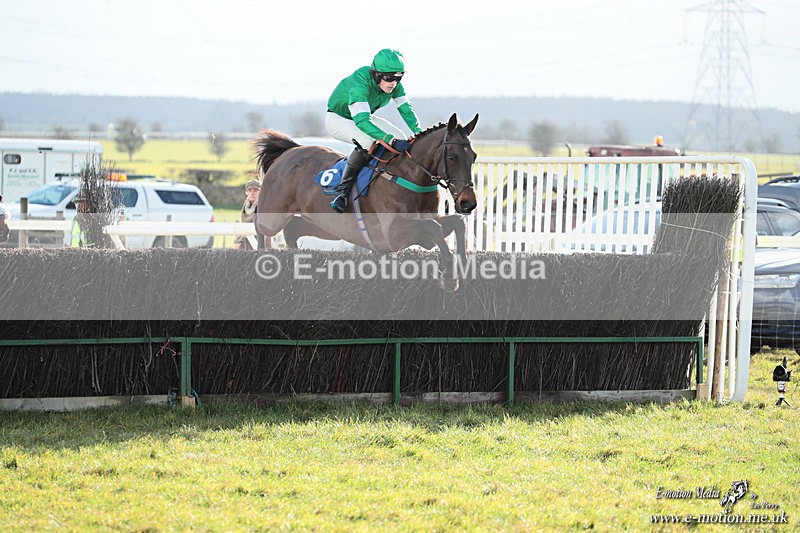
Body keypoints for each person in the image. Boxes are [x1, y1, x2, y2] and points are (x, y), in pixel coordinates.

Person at [325, 48, 423, 213]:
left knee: (402, 137)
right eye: (389, 78)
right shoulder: (360, 83)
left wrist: (418, 131)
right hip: (339, 119)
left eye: (398, 78)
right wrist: (389, 140)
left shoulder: (395, 85)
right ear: (376, 74)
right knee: (368, 140)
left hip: (361, 118)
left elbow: (406, 109)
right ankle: (342, 192)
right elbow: (362, 121)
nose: (393, 83)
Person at [236, 179, 261, 250]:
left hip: (260, 240)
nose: (252, 193)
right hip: (246, 238)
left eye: (255, 191)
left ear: (260, 192)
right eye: (250, 191)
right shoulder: (246, 204)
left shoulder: (263, 204)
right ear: (246, 192)